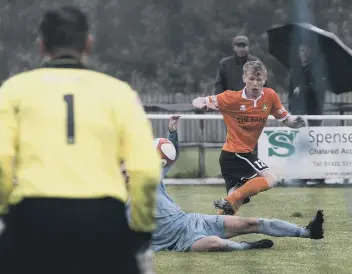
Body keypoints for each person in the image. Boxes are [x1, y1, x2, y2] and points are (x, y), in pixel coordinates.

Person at [0, 6, 160, 274]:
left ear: (41, 45)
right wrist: (141, 231)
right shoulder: (119, 93)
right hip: (103, 221)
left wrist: (6, 214)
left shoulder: (14, 90)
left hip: (32, 218)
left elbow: (1, 162)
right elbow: (145, 170)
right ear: (88, 43)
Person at [124, 115, 324, 252]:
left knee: (251, 222)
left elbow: (168, 156)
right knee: (215, 244)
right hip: (178, 242)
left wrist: (172, 132)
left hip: (191, 221)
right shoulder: (118, 198)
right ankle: (247, 246)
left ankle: (307, 232)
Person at [192, 60, 306, 216]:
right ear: (244, 78)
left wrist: (297, 122)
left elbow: (286, 119)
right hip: (235, 154)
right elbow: (202, 100)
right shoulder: (231, 98)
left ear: (264, 80)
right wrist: (200, 104)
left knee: (231, 210)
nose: (255, 83)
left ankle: (213, 228)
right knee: (271, 178)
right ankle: (230, 199)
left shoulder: (270, 96)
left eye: (259, 80)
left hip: (238, 155)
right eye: (251, 79)